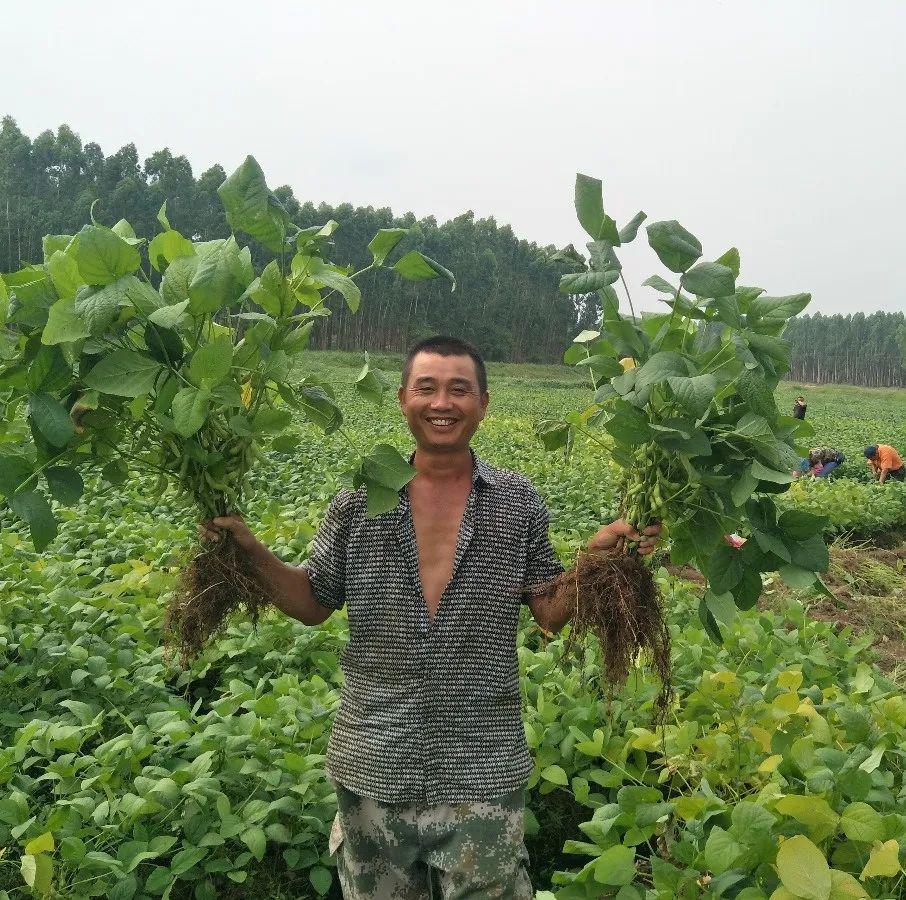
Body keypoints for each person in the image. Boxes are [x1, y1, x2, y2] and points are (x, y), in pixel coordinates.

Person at [201, 336, 660, 899]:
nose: (442, 402)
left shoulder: (516, 502)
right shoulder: (359, 498)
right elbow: (312, 602)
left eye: (459, 389)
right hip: (374, 762)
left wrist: (598, 557)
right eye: (428, 388)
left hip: (483, 767)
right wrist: (249, 550)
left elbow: (549, 611)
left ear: (483, 404)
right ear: (403, 399)